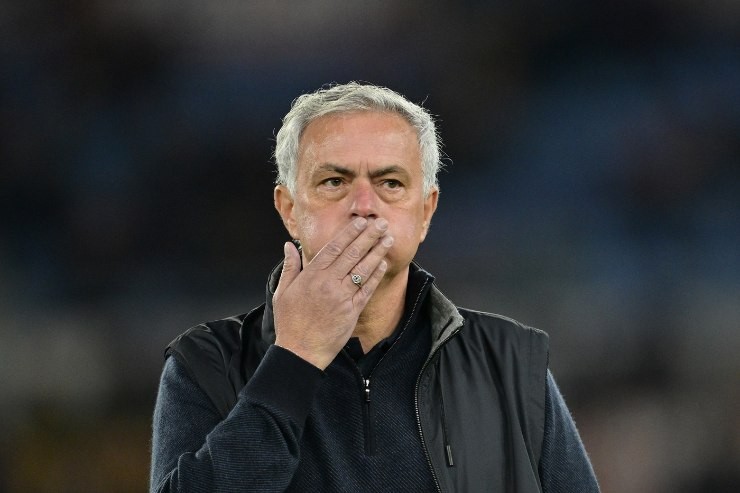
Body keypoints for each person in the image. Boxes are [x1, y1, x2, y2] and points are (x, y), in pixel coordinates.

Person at [150, 82, 600, 492]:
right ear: (289, 210)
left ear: (426, 211)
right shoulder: (206, 363)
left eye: (390, 183)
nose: (364, 206)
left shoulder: (510, 366)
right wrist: (295, 359)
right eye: (334, 182)